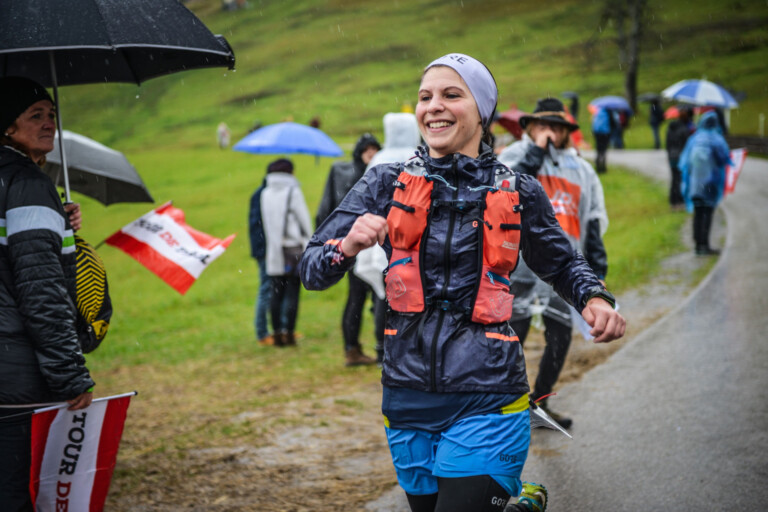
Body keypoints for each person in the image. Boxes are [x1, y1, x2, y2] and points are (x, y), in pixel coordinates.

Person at [300, 53, 625, 512]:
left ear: (483, 113)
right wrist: (347, 246)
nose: (434, 106)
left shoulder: (518, 190)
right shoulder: (385, 182)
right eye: (425, 97)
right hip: (405, 396)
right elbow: (311, 270)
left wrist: (594, 297)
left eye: (452, 95)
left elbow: (562, 263)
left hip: (489, 394)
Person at [0, 76, 94, 510]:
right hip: (16, 370)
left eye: (51, 114)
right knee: (18, 490)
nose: (49, 123)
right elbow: (41, 290)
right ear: (8, 127)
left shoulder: (21, 185)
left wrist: (59, 221)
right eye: (35, 115)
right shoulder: (28, 184)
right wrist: (69, 374)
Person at [498, 97, 610, 429]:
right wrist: (536, 152)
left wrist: (597, 273)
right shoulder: (514, 156)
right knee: (510, 337)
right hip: (518, 266)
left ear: (566, 131)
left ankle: (540, 403)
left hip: (562, 270)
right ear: (531, 127)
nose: (551, 132)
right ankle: (504, 408)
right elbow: (505, 193)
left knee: (560, 337)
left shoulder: (581, 170)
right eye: (543, 126)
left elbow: (592, 220)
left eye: (557, 127)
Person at [355, 112, 422, 362]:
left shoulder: (380, 159)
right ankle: (408, 347)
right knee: (411, 296)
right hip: (412, 239)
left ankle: (382, 348)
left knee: (385, 296)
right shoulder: (419, 158)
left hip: (383, 236)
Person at [316, 133, 382, 366]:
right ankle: (352, 349)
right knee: (357, 297)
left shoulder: (379, 172)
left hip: (376, 248)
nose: (371, 153)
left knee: (377, 297)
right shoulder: (350, 176)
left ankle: (379, 348)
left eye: (374, 149)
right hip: (353, 247)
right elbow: (330, 210)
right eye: (367, 150)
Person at [260, 158, 312, 346]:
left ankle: (276, 334)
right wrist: (311, 241)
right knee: (292, 292)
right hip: (293, 248)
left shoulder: (265, 193)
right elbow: (304, 220)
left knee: (276, 293)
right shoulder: (293, 191)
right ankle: (289, 333)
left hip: (274, 250)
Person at [679, 111, 732, 256]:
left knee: (698, 212)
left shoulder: (694, 139)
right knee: (707, 213)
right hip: (710, 183)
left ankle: (697, 244)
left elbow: (685, 163)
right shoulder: (717, 140)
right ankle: (705, 245)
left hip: (695, 183)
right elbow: (724, 159)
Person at [249, 174, 276, 345]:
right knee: (266, 289)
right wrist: (265, 250)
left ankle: (279, 330)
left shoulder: (263, 192)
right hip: (266, 251)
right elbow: (258, 226)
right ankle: (262, 333)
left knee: (275, 289)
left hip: (269, 250)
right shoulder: (263, 195)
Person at [665, 106, 694, 209]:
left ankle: (673, 201)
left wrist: (670, 153)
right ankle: (679, 201)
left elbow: (668, 143)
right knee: (680, 179)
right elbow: (687, 145)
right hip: (681, 157)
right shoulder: (685, 130)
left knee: (674, 179)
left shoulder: (671, 128)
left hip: (672, 156)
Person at [591, 106, 611, 173]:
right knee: (603, 150)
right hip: (605, 133)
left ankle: (598, 165)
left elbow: (593, 123)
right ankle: (603, 167)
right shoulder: (608, 112)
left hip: (597, 133)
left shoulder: (597, 113)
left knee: (598, 150)